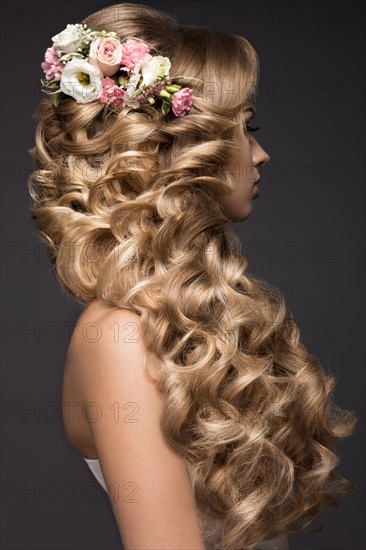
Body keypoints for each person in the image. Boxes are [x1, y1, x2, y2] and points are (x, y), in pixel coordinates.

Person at [27, 3, 357, 549]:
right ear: (177, 148)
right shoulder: (118, 337)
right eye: (244, 128)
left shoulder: (200, 320)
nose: (261, 153)